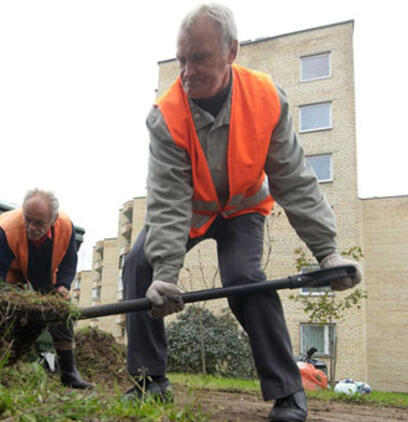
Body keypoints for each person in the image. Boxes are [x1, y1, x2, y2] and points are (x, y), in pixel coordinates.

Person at [122, 4, 362, 421]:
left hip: (242, 209)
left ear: (231, 51)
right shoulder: (166, 115)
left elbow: (294, 179)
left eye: (199, 58)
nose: (187, 71)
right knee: (140, 264)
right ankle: (150, 381)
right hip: (190, 210)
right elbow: (167, 198)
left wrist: (328, 253)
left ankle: (288, 391)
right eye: (181, 59)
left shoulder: (266, 98)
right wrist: (165, 273)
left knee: (245, 280)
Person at [0, 188, 94, 390]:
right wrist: (1, 302)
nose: (31, 227)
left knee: (61, 311)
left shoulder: (65, 227)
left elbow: (70, 262)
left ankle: (69, 373)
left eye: (39, 223)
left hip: (45, 272)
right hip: (14, 271)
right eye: (28, 219)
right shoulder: (9, 229)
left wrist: (63, 285)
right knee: (7, 315)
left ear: (52, 221)